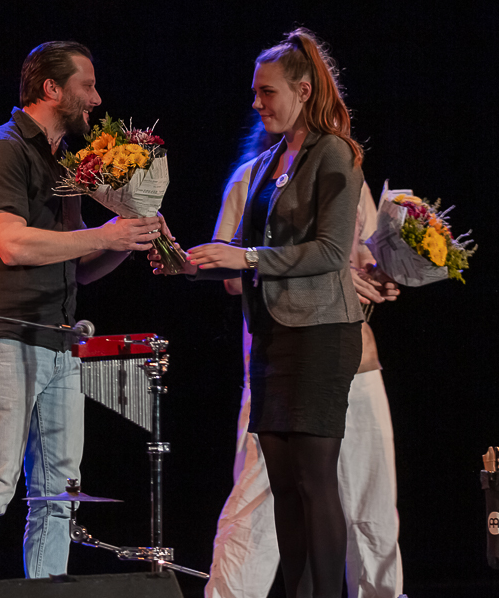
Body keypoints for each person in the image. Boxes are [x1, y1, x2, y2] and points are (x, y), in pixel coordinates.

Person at [0, 41, 163, 596]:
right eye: (86, 86)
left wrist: (130, 238)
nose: (97, 98)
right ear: (52, 89)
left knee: (59, 497)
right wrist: (106, 234)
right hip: (5, 338)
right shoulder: (1, 149)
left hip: (60, 343)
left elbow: (78, 266)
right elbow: (13, 244)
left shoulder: (63, 162)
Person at [161, 29, 365, 598]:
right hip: (272, 335)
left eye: (267, 92)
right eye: (255, 92)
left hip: (321, 333)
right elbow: (244, 254)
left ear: (303, 91)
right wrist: (187, 264)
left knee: (314, 480)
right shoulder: (270, 161)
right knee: (283, 484)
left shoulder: (334, 153)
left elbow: (330, 252)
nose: (257, 103)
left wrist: (247, 256)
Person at [203, 116, 405, 598]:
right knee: (259, 504)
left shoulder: (345, 169)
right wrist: (312, 271)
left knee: (372, 507)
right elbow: (229, 272)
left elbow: (361, 256)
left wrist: (381, 276)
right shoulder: (251, 178)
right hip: (283, 361)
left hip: (354, 358)